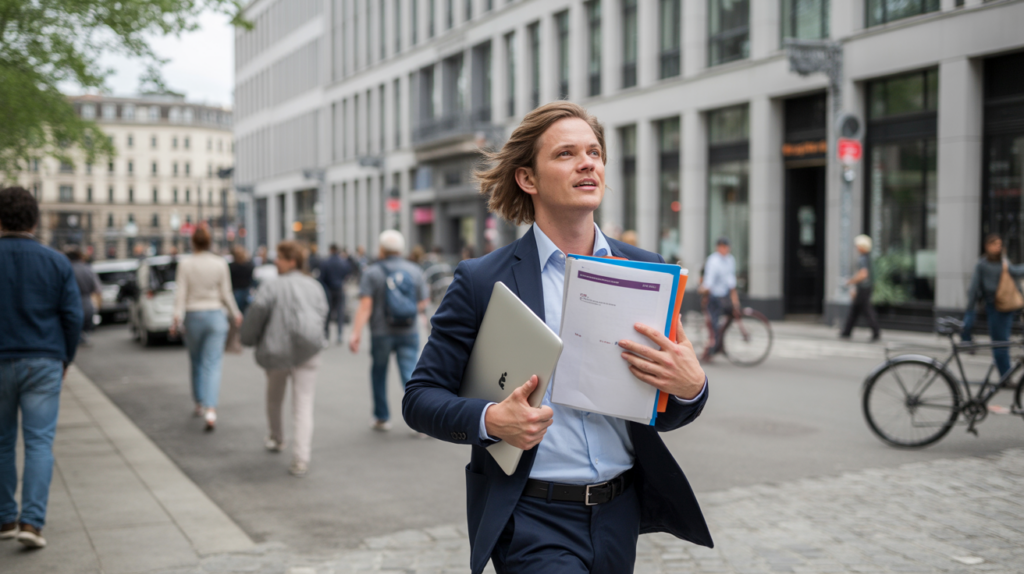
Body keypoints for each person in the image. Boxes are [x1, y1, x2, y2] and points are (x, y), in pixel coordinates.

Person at [402, 102, 710, 574]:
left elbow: (662, 408)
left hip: (618, 513)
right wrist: (491, 419)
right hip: (531, 518)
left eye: (594, 152)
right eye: (566, 154)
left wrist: (692, 388)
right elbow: (420, 398)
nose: (588, 163)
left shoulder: (645, 271)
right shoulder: (483, 280)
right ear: (528, 178)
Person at [0, 186, 83, 549]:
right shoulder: (56, 262)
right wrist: (65, 357)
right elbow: (74, 316)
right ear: (35, 221)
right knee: (39, 442)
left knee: (1, 443)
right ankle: (32, 524)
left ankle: (4, 518)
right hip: (44, 358)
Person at [240, 241, 328, 477]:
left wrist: (247, 339)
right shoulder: (314, 286)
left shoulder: (271, 287)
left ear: (291, 261)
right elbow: (322, 313)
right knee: (303, 403)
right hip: (309, 348)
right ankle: (301, 458)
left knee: (274, 397)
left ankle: (277, 438)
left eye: (279, 257)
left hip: (276, 349)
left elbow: (256, 314)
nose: (275, 261)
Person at [349, 230, 429, 431]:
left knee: (379, 373)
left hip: (381, 332)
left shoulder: (372, 272)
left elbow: (365, 306)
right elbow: (423, 301)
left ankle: (382, 417)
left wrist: (355, 333)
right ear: (401, 249)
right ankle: (421, 422)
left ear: (382, 249)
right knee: (410, 375)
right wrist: (406, 310)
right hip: (409, 330)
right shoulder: (415, 270)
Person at [170, 226, 242, 431]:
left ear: (193, 242)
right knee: (213, 364)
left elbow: (180, 293)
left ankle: (199, 402)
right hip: (215, 315)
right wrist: (236, 313)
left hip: (193, 315)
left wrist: (176, 317)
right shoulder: (219, 263)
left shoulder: (186, 264)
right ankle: (211, 409)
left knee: (196, 361)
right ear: (210, 243)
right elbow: (226, 293)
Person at [962, 234, 1024, 379]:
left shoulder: (1003, 261)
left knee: (1002, 343)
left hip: (1007, 307)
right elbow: (973, 288)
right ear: (987, 246)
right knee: (1000, 344)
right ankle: (1006, 377)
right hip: (994, 307)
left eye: (1000, 244)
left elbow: (1015, 271)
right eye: (995, 244)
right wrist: (970, 310)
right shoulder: (982, 264)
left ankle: (1005, 376)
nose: (999, 247)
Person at [700, 237, 741, 361]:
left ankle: (719, 342)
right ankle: (710, 350)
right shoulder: (713, 260)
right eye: (721, 246)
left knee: (733, 314)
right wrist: (704, 291)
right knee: (713, 324)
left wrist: (735, 301)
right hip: (713, 296)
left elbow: (731, 282)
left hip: (724, 296)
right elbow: (709, 281)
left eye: (726, 246)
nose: (724, 249)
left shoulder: (730, 260)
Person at [840, 235, 881, 342]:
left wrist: (851, 281)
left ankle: (875, 331)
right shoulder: (869, 257)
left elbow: (863, 274)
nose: (856, 247)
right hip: (866, 287)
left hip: (863, 288)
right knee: (856, 310)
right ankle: (847, 331)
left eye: (858, 245)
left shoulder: (863, 258)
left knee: (865, 310)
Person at [66, 247, 102, 346]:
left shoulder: (65, 269)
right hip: (86, 301)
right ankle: (83, 338)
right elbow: (97, 289)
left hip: (69, 302)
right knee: (85, 326)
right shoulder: (87, 269)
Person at [319, 243, 353, 343]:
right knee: (340, 313)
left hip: (329, 290)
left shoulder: (326, 262)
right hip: (339, 289)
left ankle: (326, 335)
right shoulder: (343, 262)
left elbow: (321, 278)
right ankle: (339, 335)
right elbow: (348, 272)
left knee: (328, 313)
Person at [229, 245, 255, 315]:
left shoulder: (231, 266)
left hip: (236, 291)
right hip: (246, 291)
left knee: (236, 312)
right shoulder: (250, 265)